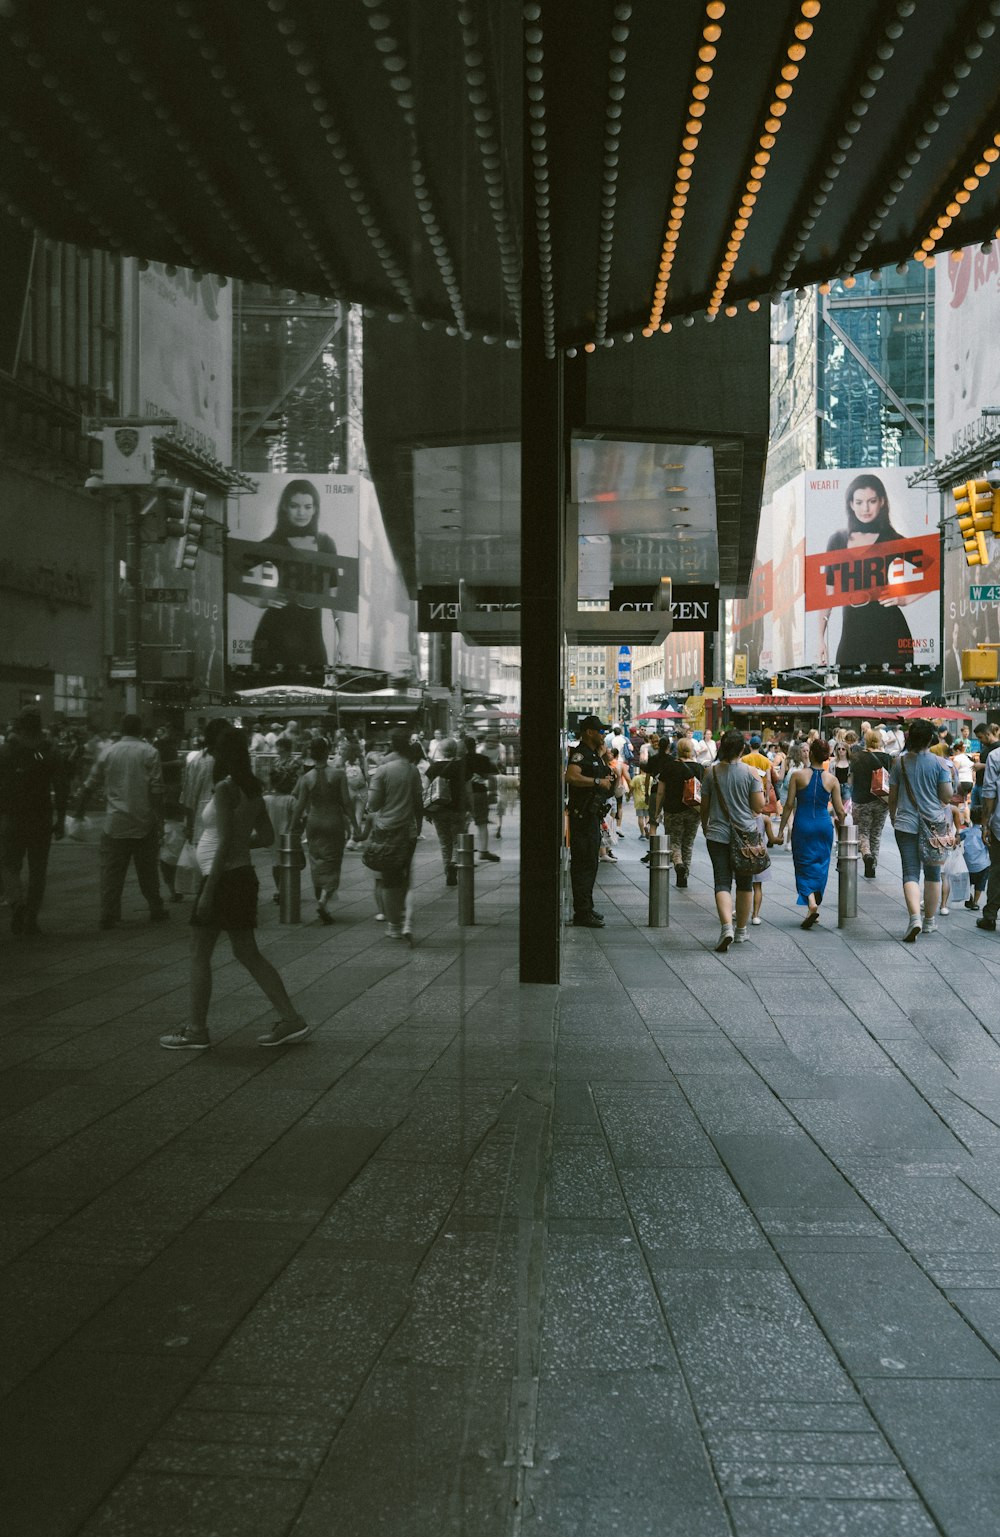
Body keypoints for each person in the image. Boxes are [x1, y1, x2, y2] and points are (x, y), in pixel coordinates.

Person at [160, 730, 309, 1050]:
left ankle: (197, 1029)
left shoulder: (226, 788)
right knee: (247, 952)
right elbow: (266, 837)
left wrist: (208, 890)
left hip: (222, 877)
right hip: (241, 875)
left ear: (222, 753)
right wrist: (241, 842)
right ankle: (291, 1018)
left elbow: (225, 841)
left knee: (199, 953)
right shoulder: (252, 788)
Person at [815, 473, 923, 668]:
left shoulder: (891, 539)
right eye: (859, 502)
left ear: (881, 502)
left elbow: (934, 568)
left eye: (871, 501)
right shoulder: (837, 541)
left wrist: (904, 598)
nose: (865, 508)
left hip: (889, 633)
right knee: (847, 693)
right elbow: (828, 594)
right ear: (851, 504)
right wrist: (820, 638)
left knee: (892, 696)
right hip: (852, 636)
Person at [78, 715, 169, 930]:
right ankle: (155, 908)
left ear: (122, 729)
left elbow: (89, 785)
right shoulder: (150, 752)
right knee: (148, 871)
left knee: (111, 872)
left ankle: (108, 914)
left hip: (115, 822)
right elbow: (156, 791)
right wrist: (160, 819)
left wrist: (79, 812)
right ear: (140, 730)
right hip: (143, 821)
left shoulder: (108, 752)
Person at [250, 479, 336, 670]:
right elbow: (231, 570)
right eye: (294, 506)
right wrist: (260, 601)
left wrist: (343, 638)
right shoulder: (272, 544)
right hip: (274, 637)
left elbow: (334, 592)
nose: (301, 512)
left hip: (312, 638)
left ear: (315, 509)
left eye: (307, 506)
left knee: (317, 691)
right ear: (284, 508)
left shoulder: (325, 544)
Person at [0, 709, 69, 935]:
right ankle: (31, 920)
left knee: (9, 865)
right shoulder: (48, 751)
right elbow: (60, 785)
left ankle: (16, 901)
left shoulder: (6, 750)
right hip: (40, 816)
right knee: (38, 870)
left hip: (12, 816)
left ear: (19, 725)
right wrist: (60, 817)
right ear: (39, 725)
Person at [887, 717, 955, 942]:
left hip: (905, 824)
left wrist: (893, 816)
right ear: (930, 739)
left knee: (910, 872)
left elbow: (893, 797)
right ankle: (928, 922)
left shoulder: (899, 763)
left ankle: (914, 917)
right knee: (933, 873)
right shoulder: (940, 764)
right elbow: (946, 796)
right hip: (934, 824)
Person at [699, 728, 765, 951]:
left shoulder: (711, 773)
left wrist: (705, 826)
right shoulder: (751, 773)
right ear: (741, 749)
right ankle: (741, 930)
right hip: (746, 836)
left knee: (721, 881)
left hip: (717, 835)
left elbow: (704, 807)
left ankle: (726, 926)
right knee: (745, 884)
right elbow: (758, 807)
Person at [776, 737, 846, 928]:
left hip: (803, 824)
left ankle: (811, 904)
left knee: (803, 864)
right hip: (824, 826)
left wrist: (781, 830)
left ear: (811, 754)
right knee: (821, 864)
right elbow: (840, 811)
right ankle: (813, 905)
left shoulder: (798, 776)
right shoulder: (832, 780)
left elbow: (789, 805)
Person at [365, 727, 424, 941]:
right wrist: (418, 827)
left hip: (385, 830)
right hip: (408, 832)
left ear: (391, 743)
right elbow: (419, 804)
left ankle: (393, 925)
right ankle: (402, 917)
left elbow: (373, 804)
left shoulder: (382, 770)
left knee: (389, 880)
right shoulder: (412, 770)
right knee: (404, 876)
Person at [291, 736, 353, 924]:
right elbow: (346, 802)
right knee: (333, 862)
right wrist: (354, 825)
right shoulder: (338, 775)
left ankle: (320, 895)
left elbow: (299, 805)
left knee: (316, 860)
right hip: (333, 821)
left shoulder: (306, 778)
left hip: (314, 822)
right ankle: (323, 899)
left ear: (311, 754)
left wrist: (291, 827)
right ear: (327, 753)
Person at [564, 715, 614, 928]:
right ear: (589, 732)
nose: (603, 734)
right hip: (582, 816)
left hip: (592, 816)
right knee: (583, 864)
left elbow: (608, 779)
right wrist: (597, 781)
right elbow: (571, 777)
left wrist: (603, 757)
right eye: (600, 731)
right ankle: (582, 912)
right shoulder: (580, 754)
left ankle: (587, 907)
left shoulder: (593, 754)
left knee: (591, 863)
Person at [652, 736, 703, 888]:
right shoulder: (699, 768)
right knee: (688, 843)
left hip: (672, 810)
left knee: (674, 842)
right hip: (693, 810)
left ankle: (678, 864)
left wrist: (657, 810)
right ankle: (684, 876)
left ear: (678, 749)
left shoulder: (669, 767)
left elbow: (660, 792)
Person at [849, 728, 892, 879]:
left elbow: (851, 780)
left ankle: (866, 854)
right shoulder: (887, 758)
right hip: (881, 800)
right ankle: (872, 867)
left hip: (861, 800)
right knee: (876, 833)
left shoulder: (857, 757)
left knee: (863, 832)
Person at [424, 736, 467, 884]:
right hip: (457, 809)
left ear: (440, 750)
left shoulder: (433, 768)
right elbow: (467, 789)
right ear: (455, 750)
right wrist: (470, 808)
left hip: (438, 809)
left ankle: (447, 867)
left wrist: (427, 812)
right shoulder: (461, 766)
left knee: (444, 841)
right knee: (457, 840)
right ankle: (455, 863)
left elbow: (426, 791)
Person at [977, 733, 1000, 934]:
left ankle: (990, 915)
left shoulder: (996, 756)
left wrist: (985, 825)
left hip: (999, 824)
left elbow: (989, 793)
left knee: (997, 869)